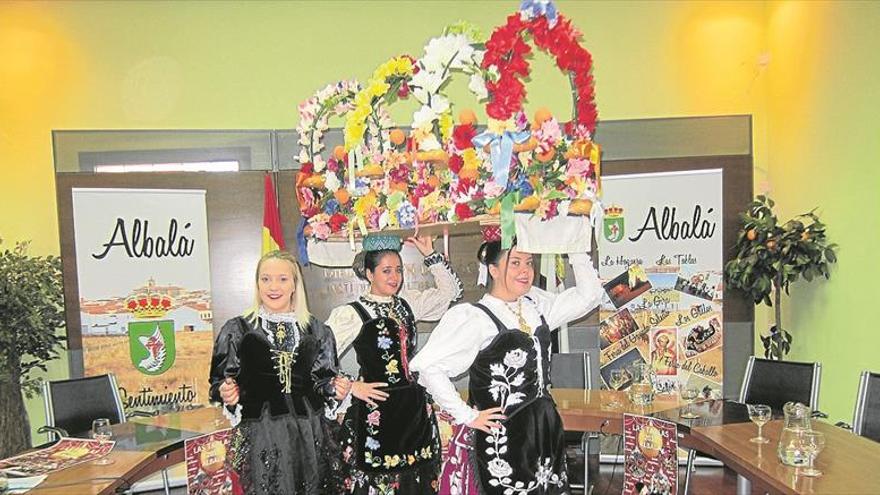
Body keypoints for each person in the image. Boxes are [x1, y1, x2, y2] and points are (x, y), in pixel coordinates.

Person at [410, 226, 604, 495]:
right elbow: (428, 368)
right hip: (502, 436)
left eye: (528, 262)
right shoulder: (476, 317)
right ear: (493, 269)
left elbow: (590, 295)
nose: (525, 270)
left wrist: (573, 241)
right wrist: (468, 416)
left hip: (543, 427)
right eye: (515, 263)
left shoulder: (536, 305)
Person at [328, 234, 463, 494]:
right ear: (369, 273)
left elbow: (450, 293)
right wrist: (353, 385)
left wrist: (430, 255)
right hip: (376, 410)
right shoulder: (353, 313)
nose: (394, 277)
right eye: (386, 270)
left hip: (413, 409)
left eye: (398, 270)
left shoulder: (407, 304)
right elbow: (316, 355)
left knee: (415, 481)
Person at [209, 250, 342, 494]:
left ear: (294, 284)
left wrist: (335, 388)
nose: (273, 286)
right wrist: (227, 392)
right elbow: (219, 383)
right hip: (262, 434)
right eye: (265, 279)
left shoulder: (318, 330)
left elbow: (323, 382)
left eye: (282, 279)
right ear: (257, 283)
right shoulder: (237, 329)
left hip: (309, 434)